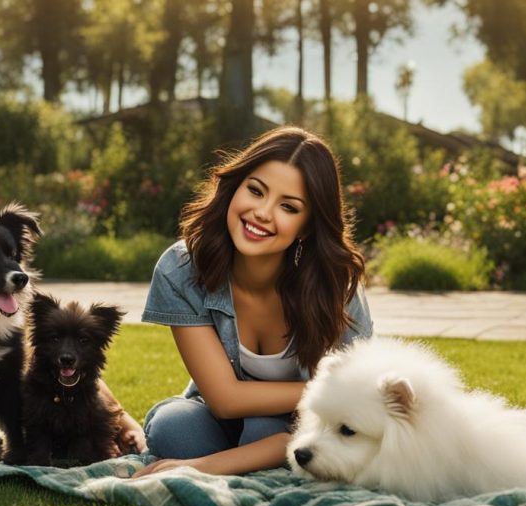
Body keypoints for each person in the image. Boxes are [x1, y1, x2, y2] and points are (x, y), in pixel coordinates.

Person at [133, 126, 373, 478]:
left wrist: (197, 468)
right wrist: (326, 390)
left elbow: (359, 398)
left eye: (288, 207)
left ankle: (245, 459)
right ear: (236, 187)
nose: (262, 212)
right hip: (218, 417)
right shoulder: (181, 268)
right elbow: (225, 399)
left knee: (263, 427)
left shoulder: (336, 286)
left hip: (306, 428)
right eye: (255, 191)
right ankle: (256, 460)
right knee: (172, 427)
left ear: (307, 227)